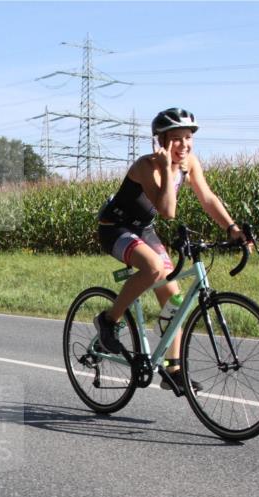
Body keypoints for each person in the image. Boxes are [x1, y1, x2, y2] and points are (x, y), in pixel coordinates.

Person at [94, 107, 250, 395]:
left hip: (143, 230)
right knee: (153, 267)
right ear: (161, 141)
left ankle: (173, 370)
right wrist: (167, 169)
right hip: (115, 228)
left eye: (188, 138)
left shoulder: (190, 162)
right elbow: (167, 211)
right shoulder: (147, 166)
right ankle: (108, 320)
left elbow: (207, 197)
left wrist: (232, 228)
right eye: (176, 138)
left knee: (174, 298)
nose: (184, 145)